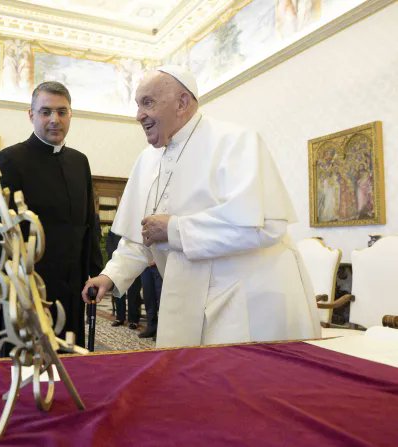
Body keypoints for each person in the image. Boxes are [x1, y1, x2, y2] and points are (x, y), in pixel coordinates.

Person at [83, 66, 320, 348]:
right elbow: (141, 237)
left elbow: (265, 227)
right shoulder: (146, 160)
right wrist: (111, 275)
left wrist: (175, 229)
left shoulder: (236, 141)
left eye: (148, 102)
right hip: (185, 294)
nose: (139, 115)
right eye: (138, 104)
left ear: (182, 103)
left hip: (245, 299)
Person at [0, 81, 103, 355]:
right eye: (46, 112)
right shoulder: (10, 159)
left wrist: (95, 273)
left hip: (71, 286)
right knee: (23, 366)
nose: (55, 120)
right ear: (31, 115)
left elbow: (89, 222)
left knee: (67, 364)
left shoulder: (80, 162)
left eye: (62, 112)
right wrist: (15, 284)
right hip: (29, 290)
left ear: (71, 115)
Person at [105, 230, 140, 329]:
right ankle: (120, 318)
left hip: (134, 263)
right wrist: (115, 257)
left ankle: (133, 320)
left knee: (133, 293)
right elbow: (109, 244)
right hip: (118, 264)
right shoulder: (114, 228)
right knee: (118, 292)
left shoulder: (135, 226)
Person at [138, 263, 162, 339]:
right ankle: (151, 326)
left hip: (159, 264)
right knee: (148, 297)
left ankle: (161, 329)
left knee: (160, 297)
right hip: (146, 265)